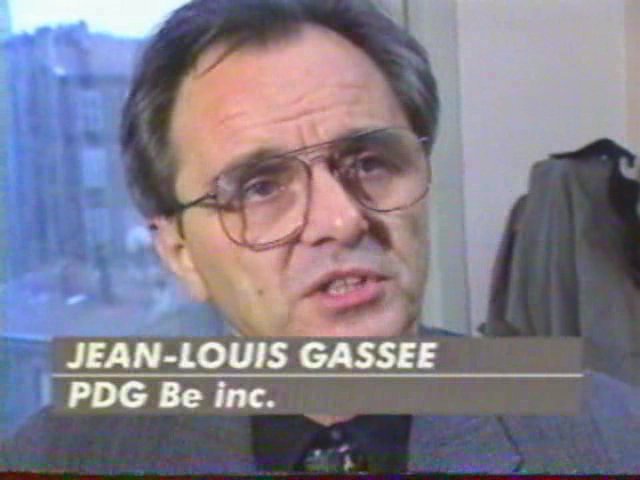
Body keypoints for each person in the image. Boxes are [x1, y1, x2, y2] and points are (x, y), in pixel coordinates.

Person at [2, 0, 639, 474]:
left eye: (371, 162)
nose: (341, 220)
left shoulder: (612, 435)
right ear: (180, 254)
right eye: (260, 187)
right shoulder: (58, 453)